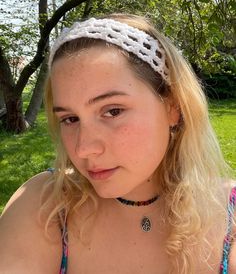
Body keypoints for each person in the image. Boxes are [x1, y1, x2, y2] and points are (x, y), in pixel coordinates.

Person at [0, 14, 235, 274]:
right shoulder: (45, 207)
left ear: (173, 107)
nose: (83, 148)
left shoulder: (229, 219)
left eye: (112, 111)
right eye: (70, 119)